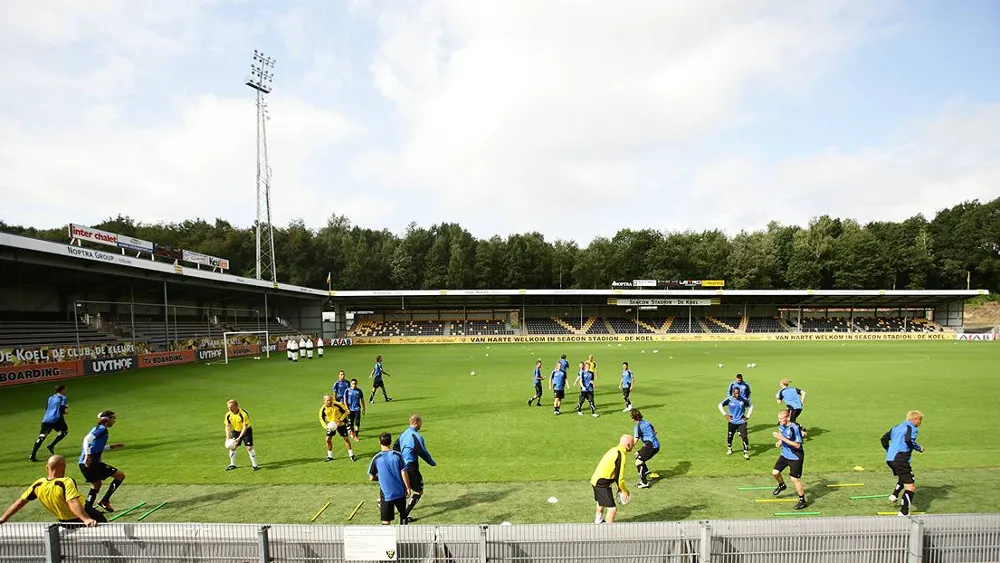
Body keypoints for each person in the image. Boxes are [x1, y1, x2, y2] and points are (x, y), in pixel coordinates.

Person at [1, 455, 102, 526]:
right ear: (63, 467)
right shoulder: (65, 481)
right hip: (84, 514)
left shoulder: (38, 484)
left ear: (47, 468)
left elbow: (21, 502)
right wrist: (86, 519)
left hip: (64, 521)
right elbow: (72, 501)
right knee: (108, 532)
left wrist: (3, 518)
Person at [78, 410, 126, 512]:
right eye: (113, 418)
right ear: (107, 419)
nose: (114, 421)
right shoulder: (102, 429)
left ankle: (89, 508)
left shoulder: (98, 428)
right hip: (92, 463)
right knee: (120, 476)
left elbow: (96, 446)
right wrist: (87, 455)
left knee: (96, 484)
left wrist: (112, 447)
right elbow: (86, 440)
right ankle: (104, 501)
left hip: (85, 464)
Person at [881, 410, 925, 516]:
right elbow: (909, 440)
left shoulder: (896, 427)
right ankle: (904, 512)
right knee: (911, 486)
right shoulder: (912, 428)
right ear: (915, 419)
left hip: (890, 459)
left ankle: (894, 495)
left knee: (907, 477)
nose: (920, 423)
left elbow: (883, 439)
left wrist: (889, 451)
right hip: (900, 459)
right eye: (920, 420)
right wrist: (919, 448)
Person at [395, 414, 436, 524]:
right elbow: (422, 452)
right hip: (411, 468)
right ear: (416, 422)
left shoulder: (403, 434)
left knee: (404, 489)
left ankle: (383, 501)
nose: (421, 425)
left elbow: (395, 448)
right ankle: (404, 515)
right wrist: (432, 463)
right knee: (418, 491)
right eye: (421, 423)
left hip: (402, 467)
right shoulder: (416, 436)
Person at [368, 432, 411, 525]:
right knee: (403, 515)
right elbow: (404, 472)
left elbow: (371, 477)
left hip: (386, 494)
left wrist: (381, 478)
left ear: (379, 442)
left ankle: (386, 538)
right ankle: (403, 535)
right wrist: (408, 487)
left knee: (386, 521)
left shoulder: (376, 458)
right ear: (390, 442)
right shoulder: (398, 455)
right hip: (400, 492)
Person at [590, 435, 635, 524]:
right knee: (612, 509)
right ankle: (608, 533)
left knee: (601, 501)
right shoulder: (621, 455)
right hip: (602, 483)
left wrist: (619, 487)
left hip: (595, 479)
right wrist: (624, 490)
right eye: (633, 444)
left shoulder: (614, 450)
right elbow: (619, 478)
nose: (633, 445)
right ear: (628, 445)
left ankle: (598, 520)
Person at [771, 409, 807, 510]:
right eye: (779, 418)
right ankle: (781, 485)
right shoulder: (780, 424)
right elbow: (782, 432)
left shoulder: (794, 428)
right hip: (785, 454)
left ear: (787, 418)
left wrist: (782, 439)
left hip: (795, 456)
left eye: (782, 418)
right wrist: (780, 441)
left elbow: (797, 445)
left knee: (794, 479)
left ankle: (802, 500)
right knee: (775, 473)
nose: (780, 420)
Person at [30, 385, 69, 462]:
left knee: (41, 437)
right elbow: (62, 411)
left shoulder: (50, 398)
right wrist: (66, 410)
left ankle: (32, 455)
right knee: (64, 432)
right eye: (65, 389)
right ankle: (51, 446)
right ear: (62, 390)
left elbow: (47, 408)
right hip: (56, 419)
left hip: (46, 419)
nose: (66, 390)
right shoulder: (63, 398)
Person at [224, 400, 260, 471]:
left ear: (236, 406)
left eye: (231, 407)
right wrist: (227, 438)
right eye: (228, 407)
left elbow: (245, 427)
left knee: (249, 448)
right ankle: (232, 464)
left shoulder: (243, 414)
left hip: (246, 431)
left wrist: (239, 438)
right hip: (235, 431)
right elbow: (227, 427)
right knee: (233, 447)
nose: (230, 409)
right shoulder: (228, 415)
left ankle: (255, 465)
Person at [719, 387, 753, 460]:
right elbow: (720, 405)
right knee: (730, 437)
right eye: (736, 393)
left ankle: (746, 452)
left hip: (741, 422)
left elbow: (751, 406)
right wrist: (725, 415)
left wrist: (747, 416)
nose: (737, 395)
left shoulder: (743, 400)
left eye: (738, 393)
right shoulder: (729, 400)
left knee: (744, 437)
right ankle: (729, 448)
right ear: (733, 393)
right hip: (732, 422)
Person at [319, 394, 354, 462]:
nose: (330, 401)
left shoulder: (337, 405)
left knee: (346, 439)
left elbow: (346, 411)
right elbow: (321, 419)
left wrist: (340, 419)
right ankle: (330, 456)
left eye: (330, 399)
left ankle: (351, 455)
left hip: (340, 424)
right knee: (328, 440)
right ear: (324, 401)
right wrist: (326, 427)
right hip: (331, 426)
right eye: (328, 400)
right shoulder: (323, 409)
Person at [630, 409, 659, 488]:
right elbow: (655, 431)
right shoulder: (647, 422)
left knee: (638, 462)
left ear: (633, 418)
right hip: (655, 445)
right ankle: (646, 473)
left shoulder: (637, 426)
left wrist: (629, 446)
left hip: (650, 446)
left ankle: (644, 482)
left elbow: (635, 440)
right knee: (637, 454)